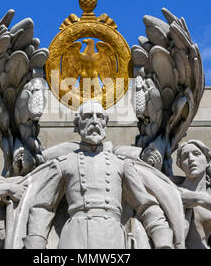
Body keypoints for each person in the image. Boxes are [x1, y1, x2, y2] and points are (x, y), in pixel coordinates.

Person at [23, 100, 174, 249]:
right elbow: (43, 206)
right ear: (77, 125)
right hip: (76, 235)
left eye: (100, 117)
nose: (94, 121)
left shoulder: (121, 164)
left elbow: (145, 205)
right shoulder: (64, 163)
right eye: (88, 116)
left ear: (105, 124)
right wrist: (36, 243)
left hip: (112, 236)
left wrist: (162, 240)